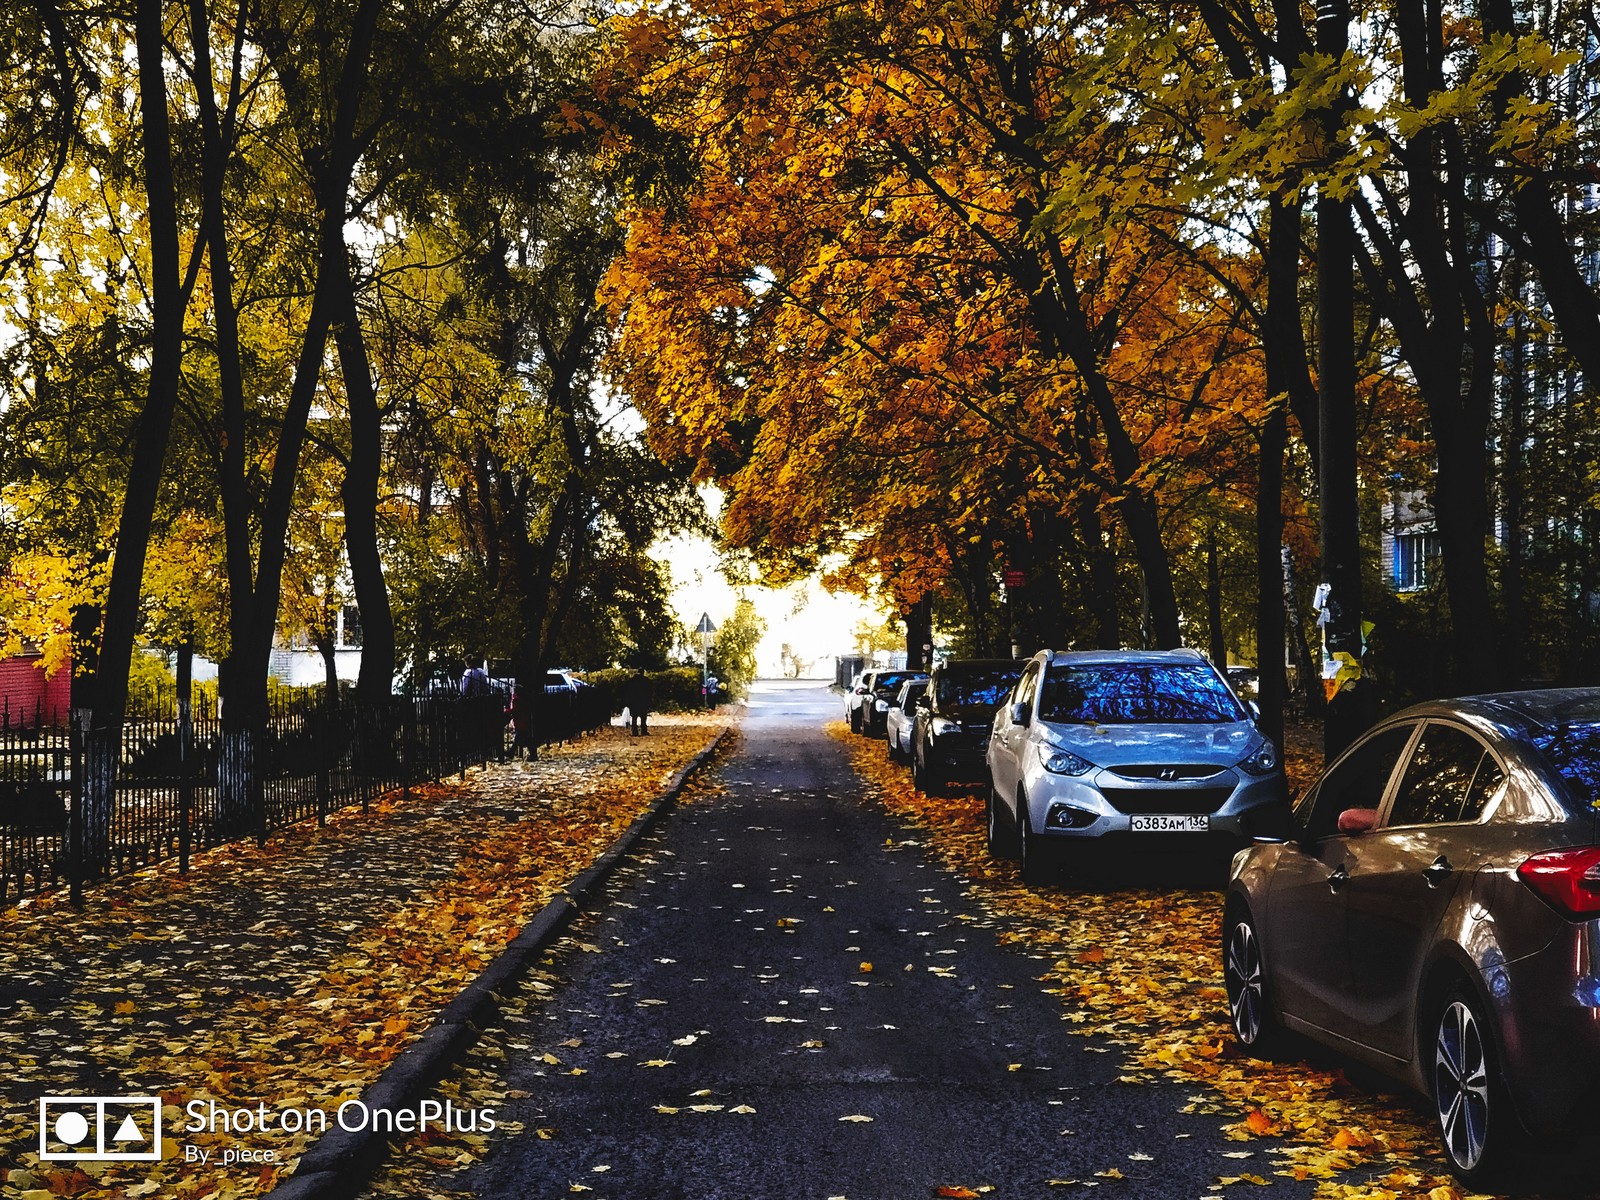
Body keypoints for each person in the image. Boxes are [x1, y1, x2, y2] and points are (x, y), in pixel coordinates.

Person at [623, 668, 653, 736]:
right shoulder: (647, 681)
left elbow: (627, 692)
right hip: (643, 701)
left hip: (634, 702)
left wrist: (628, 702)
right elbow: (650, 692)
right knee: (643, 717)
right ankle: (644, 731)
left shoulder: (631, 681)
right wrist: (649, 701)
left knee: (634, 718)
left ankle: (634, 732)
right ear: (643, 673)